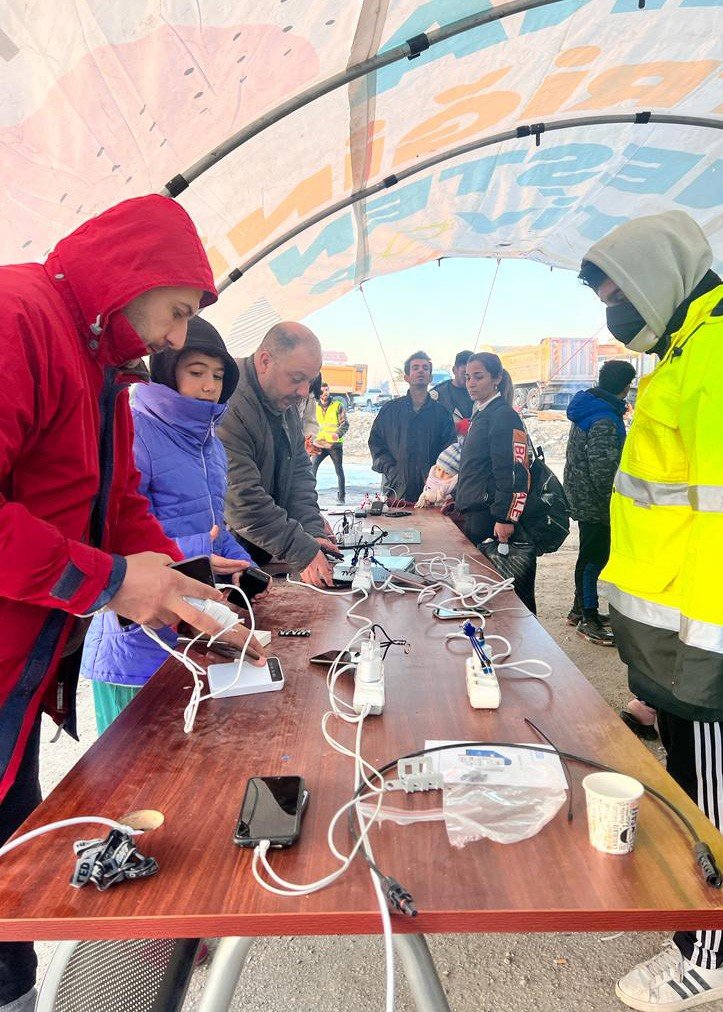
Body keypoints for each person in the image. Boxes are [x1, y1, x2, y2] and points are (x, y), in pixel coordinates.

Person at [0, 195, 247, 1012]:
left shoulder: (103, 366)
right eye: (177, 312)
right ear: (130, 274)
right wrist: (109, 584)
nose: (179, 339)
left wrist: (177, 586)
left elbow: (114, 510)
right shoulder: (18, 316)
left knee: (13, 871)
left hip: (23, 669)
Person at [579, 210, 723, 1011]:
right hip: (673, 630)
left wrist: (702, 652)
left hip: (704, 637)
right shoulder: (682, 354)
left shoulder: (715, 358)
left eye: (617, 292)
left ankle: (707, 951)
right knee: (688, 782)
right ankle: (687, 916)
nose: (612, 309)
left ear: (660, 276)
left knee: (712, 795)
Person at [80, 317, 267, 734]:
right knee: (126, 780)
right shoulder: (136, 431)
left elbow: (217, 526)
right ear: (166, 371)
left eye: (218, 376)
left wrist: (246, 570)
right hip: (132, 641)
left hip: (188, 627)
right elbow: (109, 538)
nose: (209, 386)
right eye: (196, 372)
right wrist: (200, 547)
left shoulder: (211, 444)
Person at [218, 323, 339, 588]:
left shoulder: (283, 401)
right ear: (265, 361)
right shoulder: (227, 402)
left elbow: (299, 476)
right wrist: (302, 549)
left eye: (310, 381)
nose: (304, 392)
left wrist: (313, 534)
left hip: (262, 552)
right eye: (297, 379)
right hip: (227, 562)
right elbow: (242, 500)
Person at [455, 352, 536, 613]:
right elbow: (476, 467)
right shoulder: (482, 413)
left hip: (491, 517)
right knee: (480, 589)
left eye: (478, 377)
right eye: (468, 377)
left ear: (497, 378)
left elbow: (514, 470)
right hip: (476, 512)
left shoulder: (503, 416)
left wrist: (506, 517)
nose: (471, 383)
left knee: (498, 593)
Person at [564, 360, 636, 646]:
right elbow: (604, 471)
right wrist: (615, 505)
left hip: (584, 495)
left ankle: (579, 610)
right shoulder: (605, 418)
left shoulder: (592, 407)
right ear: (625, 386)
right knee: (594, 559)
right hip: (597, 501)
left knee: (589, 555)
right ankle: (588, 619)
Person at [368, 351, 456, 503]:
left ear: (430, 377)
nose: (421, 370)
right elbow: (376, 443)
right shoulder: (390, 410)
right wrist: (391, 470)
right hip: (396, 488)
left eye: (425, 368)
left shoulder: (442, 413)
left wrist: (438, 477)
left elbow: (449, 449)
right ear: (406, 377)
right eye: (415, 368)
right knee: (395, 526)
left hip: (431, 491)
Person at [311, 382, 348, 504]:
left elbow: (345, 424)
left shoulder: (338, 405)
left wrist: (337, 434)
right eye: (322, 390)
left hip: (334, 445)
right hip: (319, 443)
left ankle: (341, 498)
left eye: (327, 390)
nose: (325, 392)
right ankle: (310, 497)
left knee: (339, 471)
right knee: (312, 470)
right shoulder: (314, 406)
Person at [431, 349, 475, 419]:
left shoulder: (481, 392)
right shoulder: (437, 395)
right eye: (464, 374)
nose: (469, 379)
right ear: (454, 370)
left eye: (474, 375)